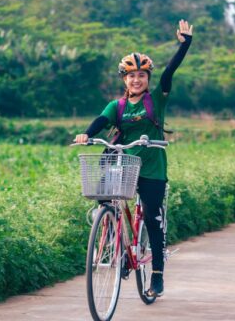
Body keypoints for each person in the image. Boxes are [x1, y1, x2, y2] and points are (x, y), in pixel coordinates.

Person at [74, 19, 193, 298]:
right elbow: (101, 121)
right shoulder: (118, 106)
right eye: (130, 76)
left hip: (152, 168)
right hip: (124, 166)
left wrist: (184, 45)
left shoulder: (156, 100)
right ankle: (115, 238)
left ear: (147, 79)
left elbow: (169, 73)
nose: (136, 79)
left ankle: (157, 274)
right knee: (105, 198)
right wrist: (85, 134)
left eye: (141, 75)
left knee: (152, 218)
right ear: (124, 80)